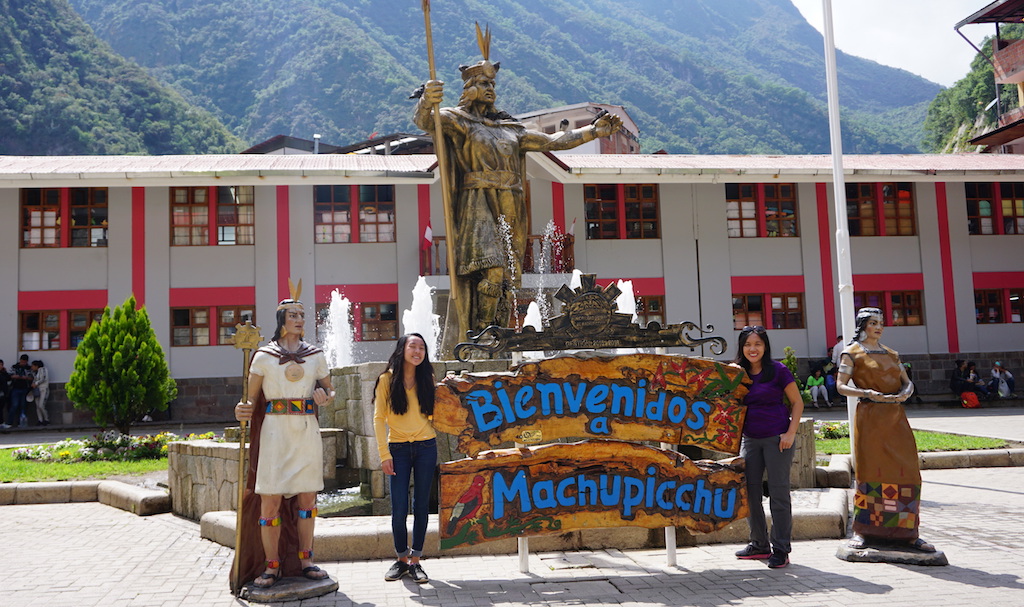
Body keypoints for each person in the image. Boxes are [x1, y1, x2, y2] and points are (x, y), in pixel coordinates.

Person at [413, 24, 622, 342]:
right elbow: (427, 122)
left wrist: (595, 131)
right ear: (467, 88)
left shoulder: (513, 129)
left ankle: (495, 328)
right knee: (491, 268)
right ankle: (483, 333)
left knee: (504, 278)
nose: (489, 88)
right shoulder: (459, 120)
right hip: (477, 200)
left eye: (491, 83)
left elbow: (556, 141)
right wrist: (427, 100)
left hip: (510, 203)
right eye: (481, 83)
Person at [232, 293, 333, 589]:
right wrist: (242, 410)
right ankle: (272, 565)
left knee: (307, 499)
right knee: (271, 501)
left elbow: (330, 389)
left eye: (302, 316)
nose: (300, 321)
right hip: (274, 431)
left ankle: (306, 560)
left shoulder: (315, 355)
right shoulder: (264, 356)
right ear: (281, 321)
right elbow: (249, 400)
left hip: (305, 430)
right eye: (293, 316)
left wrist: (325, 398)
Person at [836, 307, 935, 553]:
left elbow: (907, 381)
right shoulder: (852, 353)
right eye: (872, 322)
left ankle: (908, 532)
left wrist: (906, 392)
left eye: (881, 322)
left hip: (896, 418)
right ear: (862, 326)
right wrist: (866, 393)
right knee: (871, 472)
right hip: (870, 418)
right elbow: (840, 386)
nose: (878, 327)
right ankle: (864, 531)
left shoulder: (892, 354)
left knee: (908, 472)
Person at [732, 325, 803, 569]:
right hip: (750, 439)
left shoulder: (779, 371)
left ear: (765, 346)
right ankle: (759, 544)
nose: (753, 349)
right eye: (748, 345)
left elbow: (797, 403)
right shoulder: (737, 373)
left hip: (777, 439)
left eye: (758, 344)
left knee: (778, 493)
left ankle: (781, 549)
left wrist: (790, 433)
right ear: (742, 348)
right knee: (750, 493)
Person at [373, 334, 438, 584]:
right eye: (413, 346)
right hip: (397, 449)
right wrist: (384, 454)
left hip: (426, 447)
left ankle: (416, 561)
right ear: (402, 349)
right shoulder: (386, 380)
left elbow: (434, 415)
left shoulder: (427, 380)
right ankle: (401, 559)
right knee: (399, 508)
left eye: (422, 347)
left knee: (421, 506)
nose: (418, 351)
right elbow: (379, 418)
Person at [9, 354, 32, 428]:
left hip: (25, 389)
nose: (23, 363)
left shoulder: (28, 368)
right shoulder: (14, 367)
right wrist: (17, 376)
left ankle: (21, 423)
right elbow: (10, 376)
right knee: (14, 405)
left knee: (23, 406)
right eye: (22, 362)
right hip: (15, 388)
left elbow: (31, 377)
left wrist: (25, 378)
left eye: (24, 362)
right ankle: (10, 422)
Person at [29, 360, 49, 426]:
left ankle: (46, 419)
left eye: (33, 366)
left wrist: (36, 383)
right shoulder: (35, 372)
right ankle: (40, 420)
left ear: (36, 366)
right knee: (37, 406)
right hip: (37, 390)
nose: (31, 367)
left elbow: (43, 378)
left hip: (43, 389)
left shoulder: (43, 369)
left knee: (41, 405)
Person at [0, 359, 10, 429]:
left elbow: (8, 378)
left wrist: (5, 371)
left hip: (3, 393)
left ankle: (1, 423)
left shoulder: (3, 373)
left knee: (1, 408)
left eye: (1, 365)